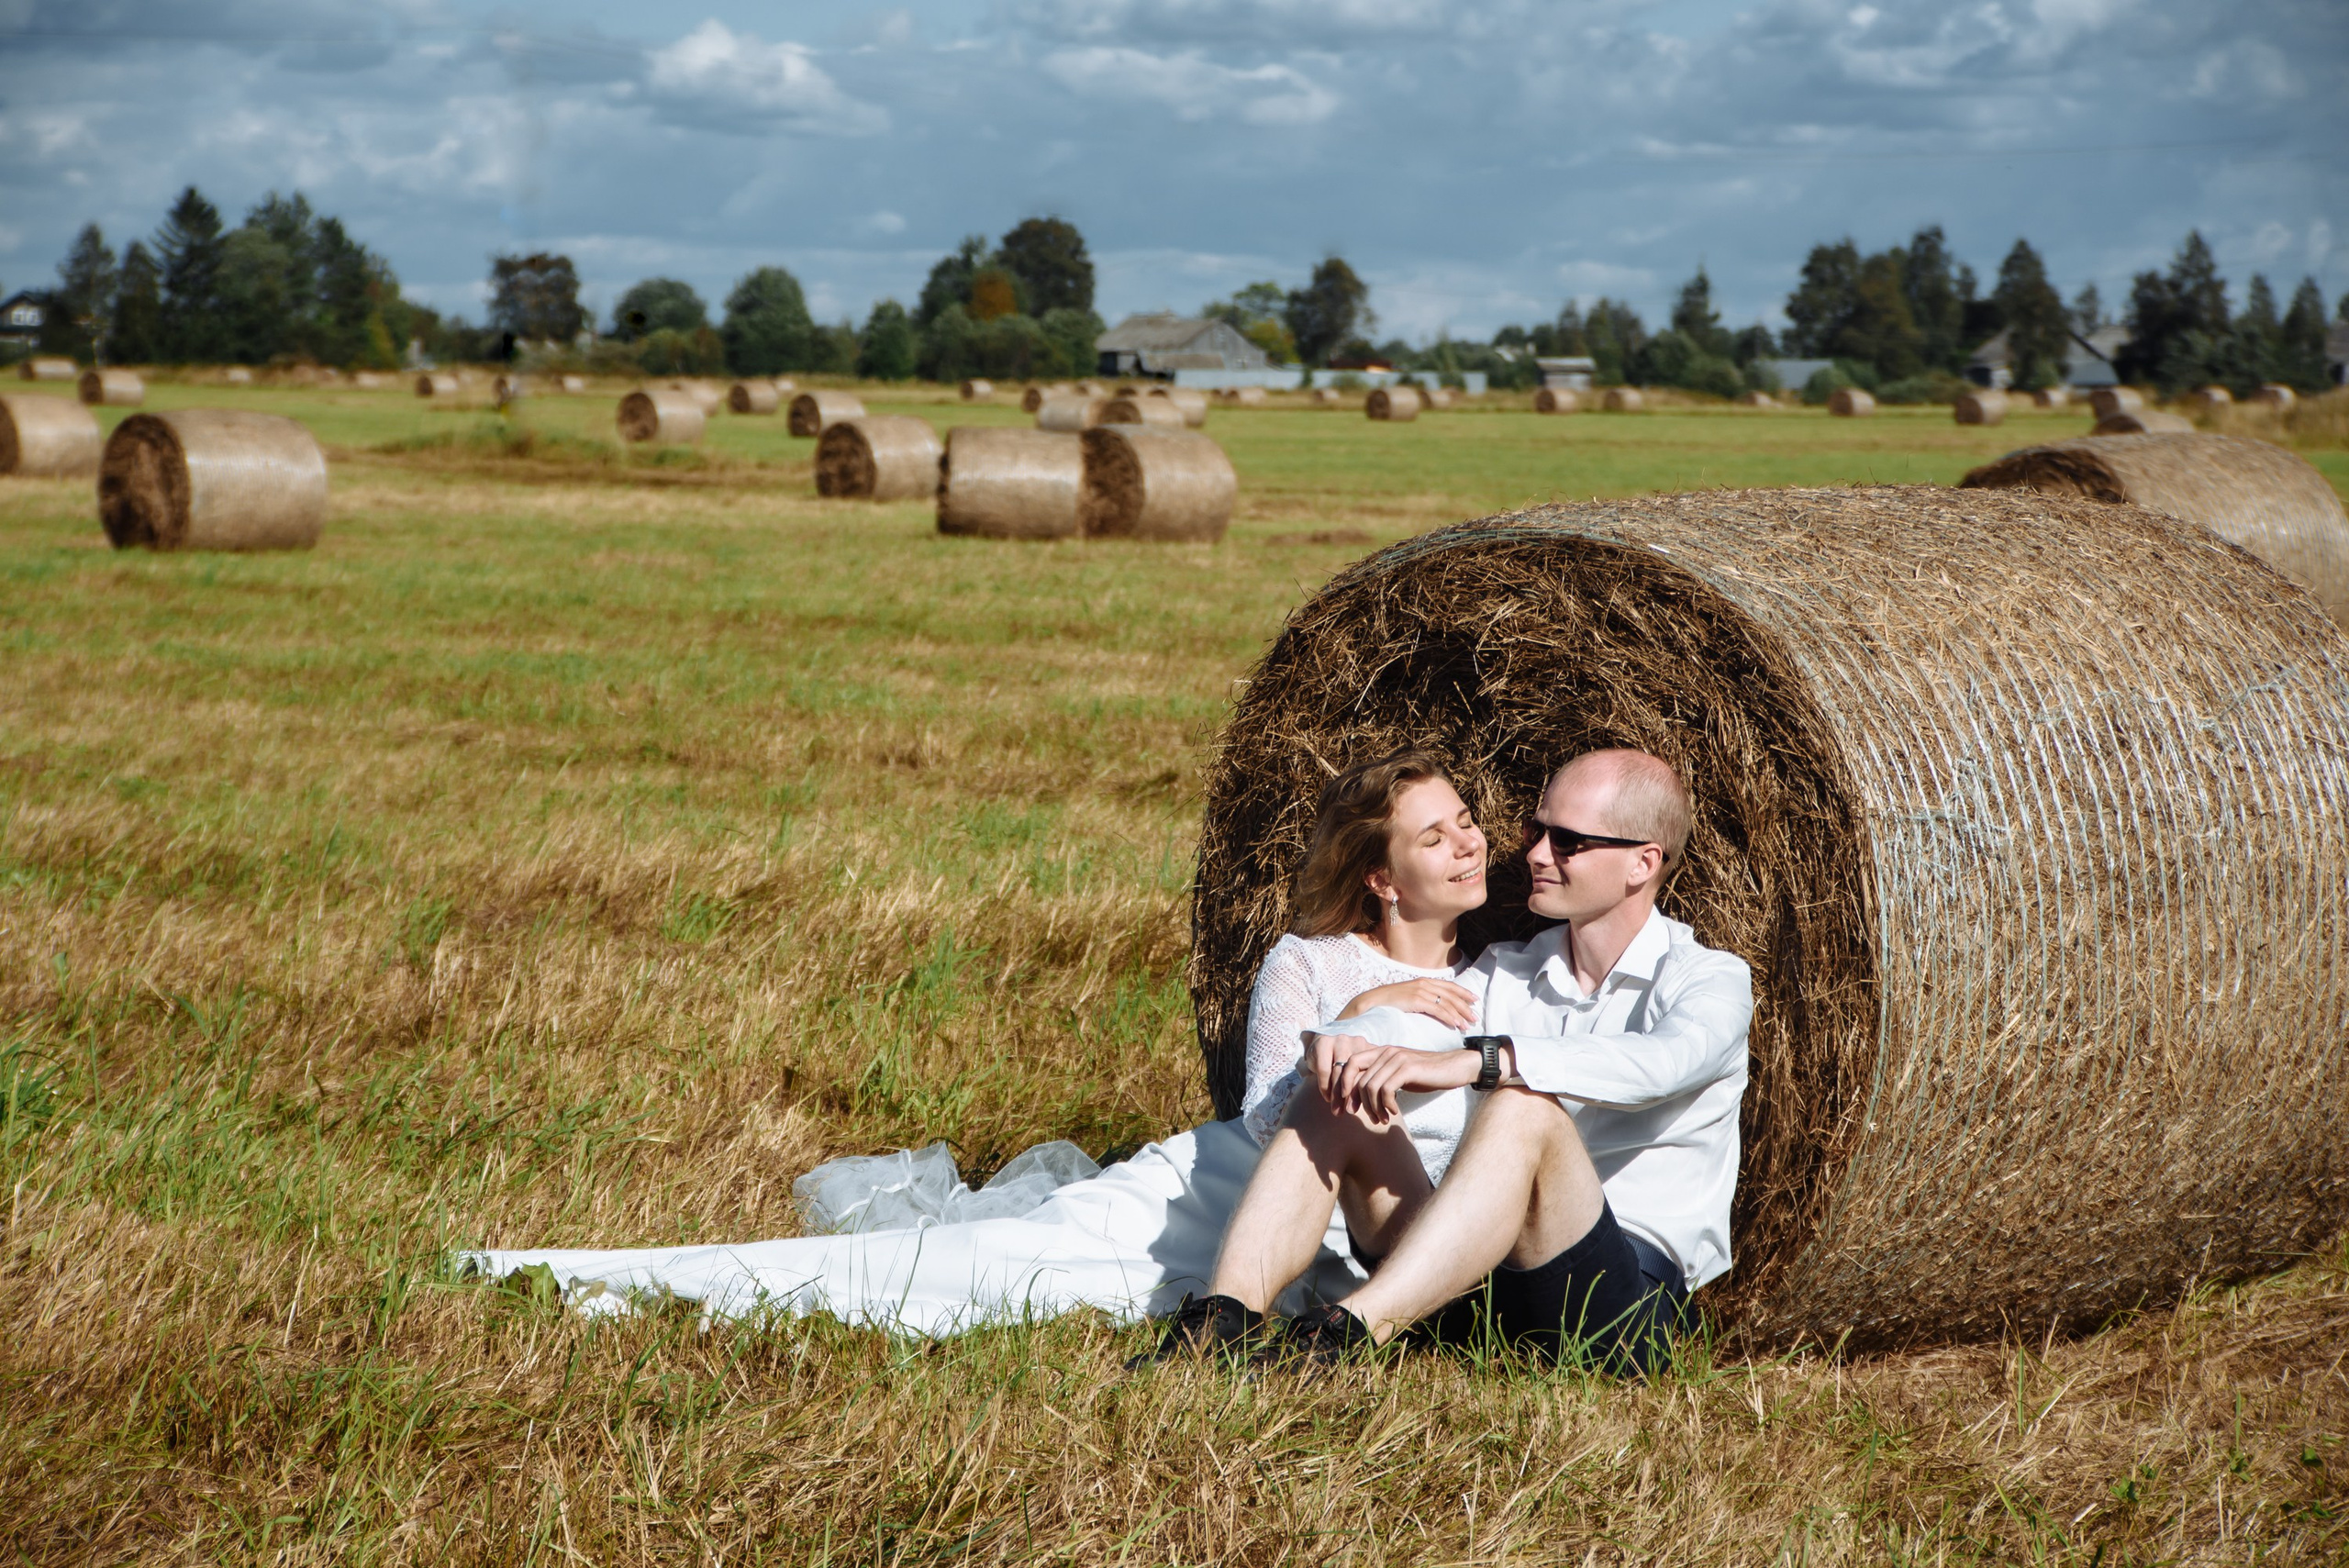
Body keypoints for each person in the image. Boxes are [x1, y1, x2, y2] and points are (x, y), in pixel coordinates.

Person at [462, 749, 1490, 1338]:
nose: (1469, 840)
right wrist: (1368, 1013)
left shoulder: (1500, 984)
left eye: (1466, 821)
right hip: (1205, 1187)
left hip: (1348, 1245)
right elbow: (1269, 1111)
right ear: (1380, 876)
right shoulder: (1304, 961)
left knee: (1015, 1293)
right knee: (969, 1266)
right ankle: (594, 1275)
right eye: (1434, 833)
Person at [1140, 749, 1752, 1374]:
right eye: (1533, 831)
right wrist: (1346, 1037)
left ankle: (1343, 1335)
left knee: (1525, 1108)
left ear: (1643, 862)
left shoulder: (1709, 980)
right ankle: (1221, 1324)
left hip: (1616, 1308)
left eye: (1566, 841)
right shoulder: (1508, 971)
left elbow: (1665, 1061)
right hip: (1482, 1281)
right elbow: (1413, 1027)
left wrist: (1484, 1061)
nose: (1535, 855)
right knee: (1340, 1096)